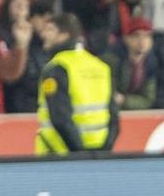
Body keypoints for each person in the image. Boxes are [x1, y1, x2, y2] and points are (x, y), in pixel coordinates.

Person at [34, 12, 118, 156]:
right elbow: (114, 118)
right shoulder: (101, 67)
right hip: (99, 154)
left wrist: (79, 154)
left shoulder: (57, 68)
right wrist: (103, 152)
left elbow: (60, 118)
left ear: (64, 35)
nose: (43, 34)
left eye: (50, 30)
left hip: (58, 155)